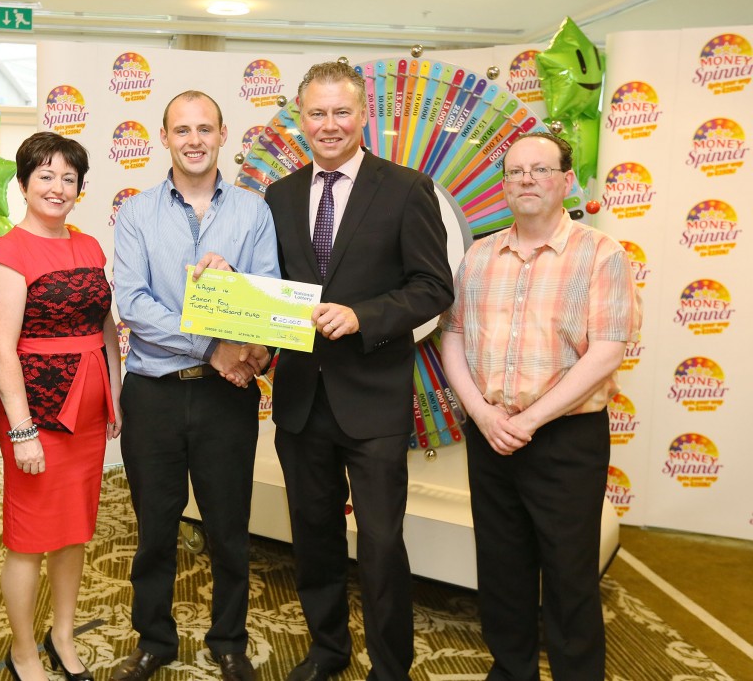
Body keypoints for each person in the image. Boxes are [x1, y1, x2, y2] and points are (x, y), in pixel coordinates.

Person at [263, 61, 454, 681]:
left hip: (372, 400)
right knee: (312, 537)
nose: (328, 125)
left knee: (379, 544)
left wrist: (364, 315)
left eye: (340, 112)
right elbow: (270, 290)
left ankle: (390, 667)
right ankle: (327, 650)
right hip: (299, 400)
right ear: (301, 118)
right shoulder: (280, 194)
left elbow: (433, 288)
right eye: (315, 113)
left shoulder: (404, 187)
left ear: (363, 114)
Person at [439, 131, 641, 681]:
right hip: (491, 435)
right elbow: (451, 337)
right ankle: (511, 671)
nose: (526, 179)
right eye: (515, 171)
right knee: (502, 571)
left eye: (541, 169)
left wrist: (528, 419)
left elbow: (607, 350)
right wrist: (483, 415)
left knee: (570, 577)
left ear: (566, 180)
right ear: (504, 184)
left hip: (564, 440)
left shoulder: (602, 254)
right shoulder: (479, 256)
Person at [111, 90, 279, 681]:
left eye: (205, 128)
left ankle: (229, 638)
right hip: (153, 392)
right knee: (155, 526)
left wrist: (237, 295)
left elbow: (267, 300)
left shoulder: (254, 213)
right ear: (164, 138)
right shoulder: (135, 213)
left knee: (229, 526)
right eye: (181, 129)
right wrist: (213, 345)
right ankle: (154, 639)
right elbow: (131, 302)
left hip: (226, 396)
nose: (194, 140)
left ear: (223, 134)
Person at [0, 132, 123, 681]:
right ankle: (24, 652)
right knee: (29, 539)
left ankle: (62, 636)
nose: (57, 187)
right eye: (45, 175)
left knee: (74, 532)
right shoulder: (8, 252)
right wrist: (21, 430)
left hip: (89, 413)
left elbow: (104, 326)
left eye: (69, 178)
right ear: (22, 184)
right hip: (37, 416)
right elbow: (1, 347)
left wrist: (116, 394)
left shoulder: (88, 245)